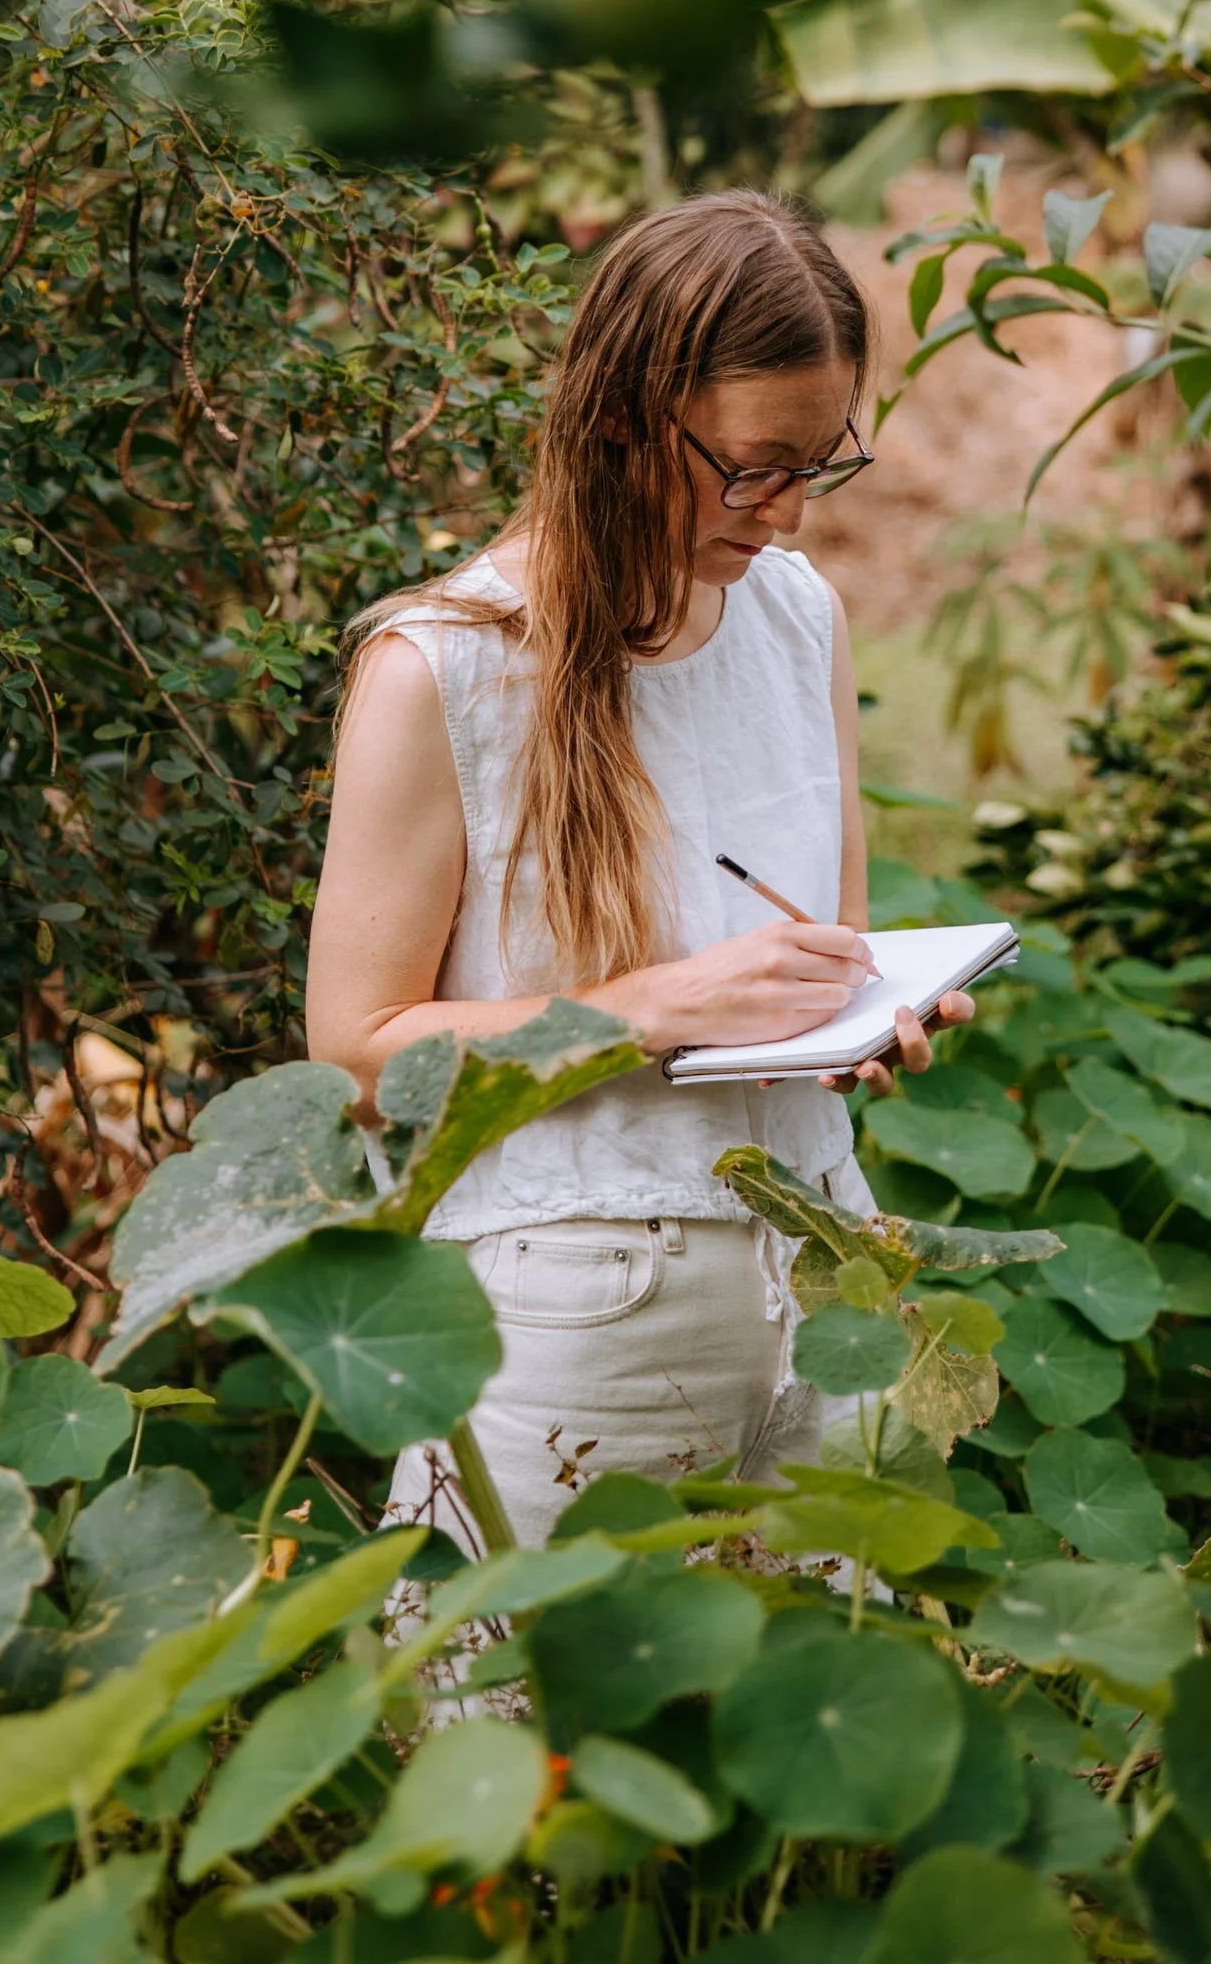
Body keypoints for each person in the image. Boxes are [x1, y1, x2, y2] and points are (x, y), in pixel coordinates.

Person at [306, 189, 971, 1546]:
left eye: (817, 465)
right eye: (751, 467)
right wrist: (657, 1008)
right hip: (567, 1323)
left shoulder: (797, 618)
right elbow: (360, 1059)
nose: (786, 516)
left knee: (815, 1738)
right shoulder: (443, 670)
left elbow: (817, 943)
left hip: (823, 1280)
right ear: (623, 419)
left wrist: (859, 1019)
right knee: (520, 1743)